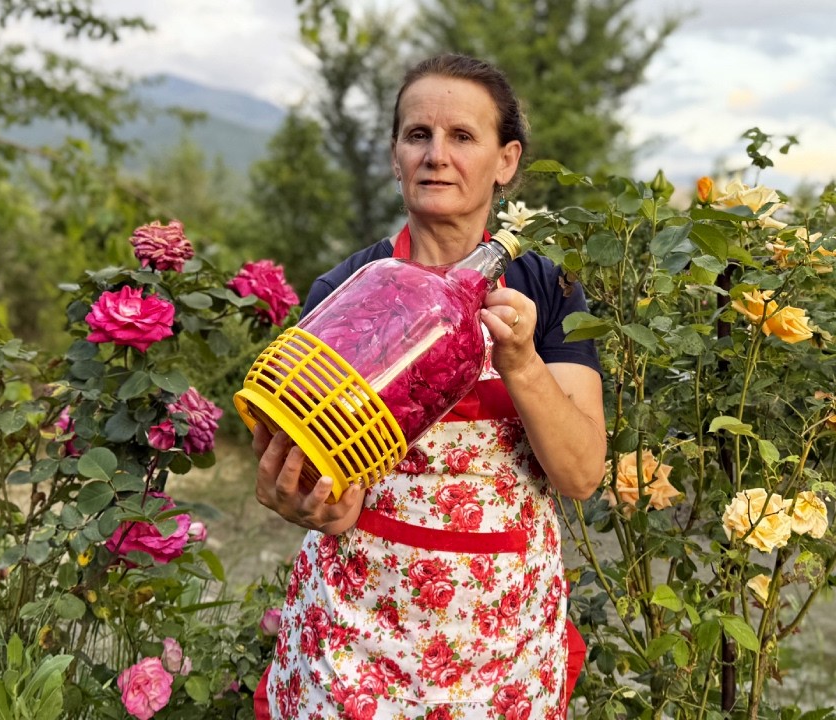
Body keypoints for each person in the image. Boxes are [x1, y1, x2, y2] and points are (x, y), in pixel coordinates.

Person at [251, 53, 606, 720]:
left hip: (503, 642)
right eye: (418, 135)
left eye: (462, 136)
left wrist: (521, 362)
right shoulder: (348, 292)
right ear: (395, 156)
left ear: (506, 161)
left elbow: (581, 473)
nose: (436, 155)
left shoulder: (548, 290)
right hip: (359, 635)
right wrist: (312, 504)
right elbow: (333, 496)